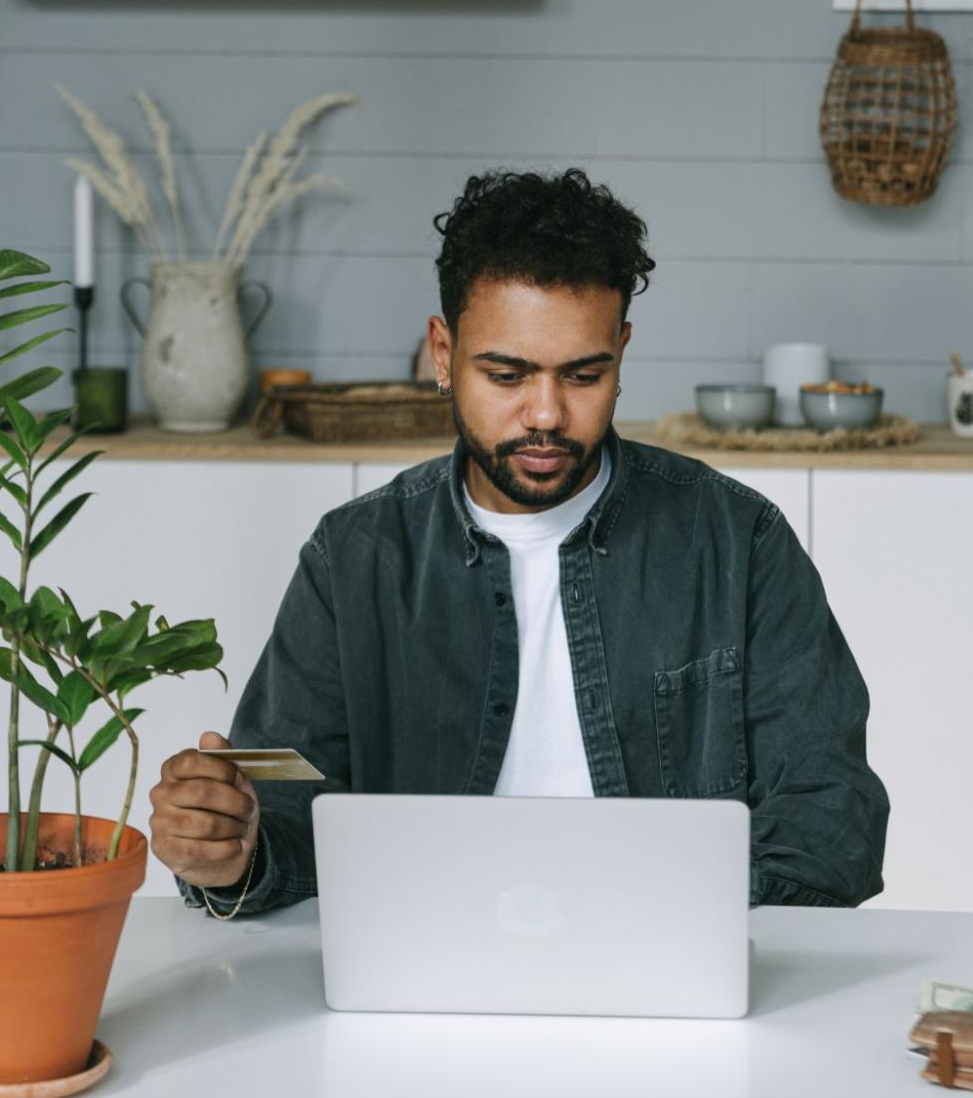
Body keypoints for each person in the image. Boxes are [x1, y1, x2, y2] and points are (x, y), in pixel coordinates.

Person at [151, 169, 888, 916]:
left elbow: (834, 811)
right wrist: (231, 844)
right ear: (443, 353)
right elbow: (279, 783)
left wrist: (669, 916)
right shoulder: (355, 555)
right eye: (506, 373)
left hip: (671, 978)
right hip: (422, 971)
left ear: (621, 351)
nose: (545, 413)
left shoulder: (738, 541)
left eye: (584, 374)